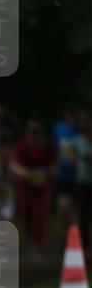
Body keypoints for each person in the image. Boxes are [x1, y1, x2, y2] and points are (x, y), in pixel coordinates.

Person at [10, 119, 56, 256]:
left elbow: (54, 165)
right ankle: (29, 239)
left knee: (39, 214)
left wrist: (48, 172)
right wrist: (23, 172)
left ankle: (36, 244)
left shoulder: (47, 147)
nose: (34, 134)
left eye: (37, 131)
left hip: (42, 187)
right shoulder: (22, 146)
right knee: (26, 213)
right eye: (32, 131)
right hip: (25, 187)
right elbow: (13, 164)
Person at [52, 106, 81, 237]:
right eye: (70, 114)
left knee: (76, 207)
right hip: (63, 173)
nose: (72, 117)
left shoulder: (82, 130)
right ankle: (64, 233)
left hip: (79, 174)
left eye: (75, 114)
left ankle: (75, 235)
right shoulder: (58, 128)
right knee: (63, 205)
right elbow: (54, 148)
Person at [72, 111, 92, 254]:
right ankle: (84, 245)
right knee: (83, 214)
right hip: (81, 181)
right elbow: (72, 161)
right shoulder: (77, 141)